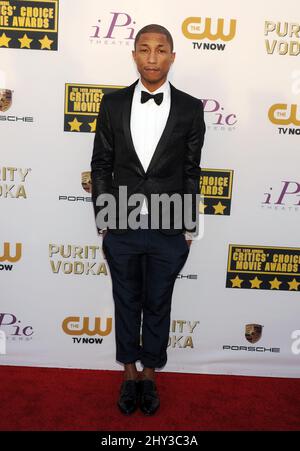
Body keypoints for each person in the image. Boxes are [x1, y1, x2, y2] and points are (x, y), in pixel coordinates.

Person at [91, 24, 206, 415]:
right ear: (134, 55)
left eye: (161, 50)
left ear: (173, 56)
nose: (152, 57)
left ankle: (151, 375)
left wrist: (189, 226)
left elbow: (192, 171)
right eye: (144, 49)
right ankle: (128, 375)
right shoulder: (113, 104)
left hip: (169, 227)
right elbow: (102, 164)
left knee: (158, 302)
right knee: (125, 301)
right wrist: (104, 220)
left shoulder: (191, 108)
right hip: (120, 225)